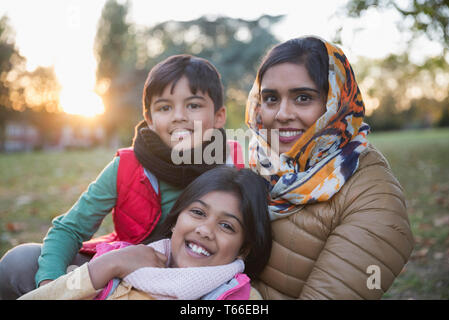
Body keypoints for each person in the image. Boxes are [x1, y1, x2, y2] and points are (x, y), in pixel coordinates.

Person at [0, 54, 244, 300]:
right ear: (149, 119)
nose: (178, 116)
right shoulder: (127, 166)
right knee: (20, 263)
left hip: (205, 285)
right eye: (165, 107)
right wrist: (53, 286)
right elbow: (70, 229)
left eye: (193, 105)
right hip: (124, 276)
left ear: (219, 116)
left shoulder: (238, 167)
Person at [245, 36, 414, 299]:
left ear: (337, 102)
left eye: (302, 97)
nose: (281, 114)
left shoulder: (372, 194)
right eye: (270, 98)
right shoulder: (255, 164)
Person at [18, 166, 272, 300]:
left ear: (244, 249)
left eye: (227, 226)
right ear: (175, 221)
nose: (204, 230)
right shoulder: (120, 260)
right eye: (197, 212)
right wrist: (107, 266)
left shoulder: (239, 296)